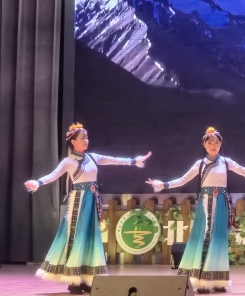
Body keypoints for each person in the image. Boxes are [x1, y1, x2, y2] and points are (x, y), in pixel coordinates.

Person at [146, 127, 245, 294]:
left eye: (216, 142)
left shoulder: (226, 162)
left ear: (220, 144)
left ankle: (218, 280)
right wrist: (164, 184)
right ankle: (201, 281)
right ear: (204, 145)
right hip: (206, 202)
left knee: (219, 239)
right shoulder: (200, 164)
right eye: (210, 142)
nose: (213, 145)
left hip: (221, 202)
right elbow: (182, 180)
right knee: (206, 237)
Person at [24, 123, 152, 294]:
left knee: (89, 239)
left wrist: (134, 161)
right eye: (82, 138)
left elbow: (113, 160)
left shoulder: (92, 157)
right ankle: (73, 280)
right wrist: (38, 182)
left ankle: (84, 278)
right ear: (73, 142)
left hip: (92, 200)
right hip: (79, 202)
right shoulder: (68, 161)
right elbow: (54, 175)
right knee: (77, 237)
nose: (86, 140)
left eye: (87, 137)